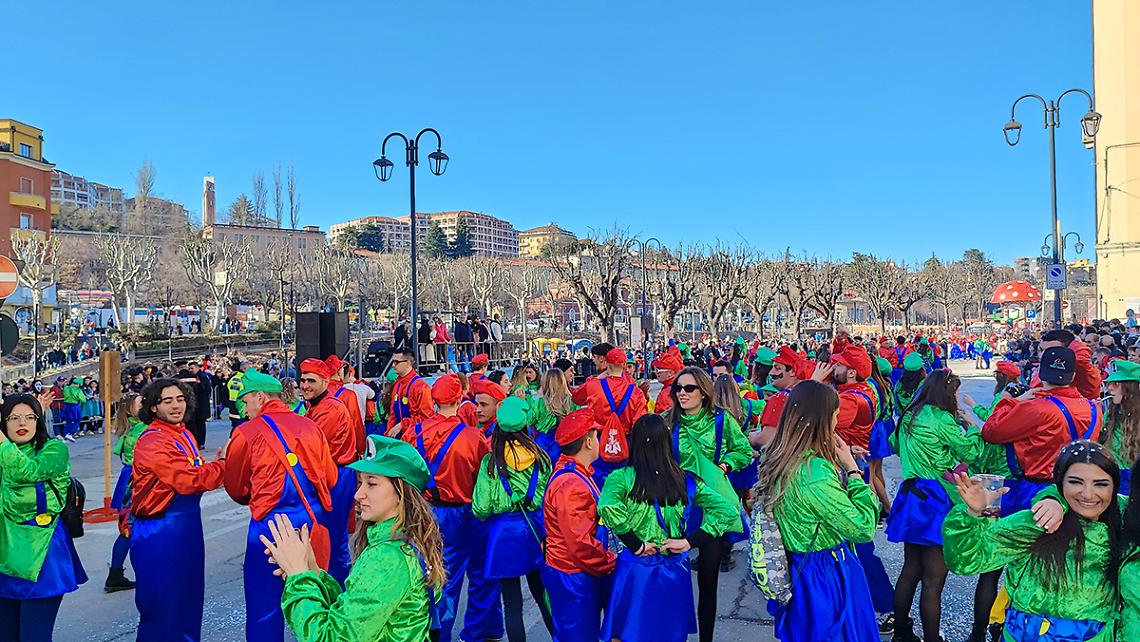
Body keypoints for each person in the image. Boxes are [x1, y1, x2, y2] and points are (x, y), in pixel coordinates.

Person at [262, 435, 443, 642]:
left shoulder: (386, 559)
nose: (358, 494)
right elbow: (352, 610)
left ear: (401, 492)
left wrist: (298, 576)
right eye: (360, 483)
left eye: (372, 484)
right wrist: (313, 571)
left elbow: (330, 637)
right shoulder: (401, 540)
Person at [944, 441, 1123, 642]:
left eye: (1101, 484)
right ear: (1060, 482)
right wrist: (972, 513)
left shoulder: (1124, 521)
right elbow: (966, 561)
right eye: (1075, 482)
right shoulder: (1038, 521)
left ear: (1114, 486)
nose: (1088, 494)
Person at [754, 380, 880, 642]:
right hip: (825, 574)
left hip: (798, 566)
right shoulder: (814, 473)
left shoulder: (779, 455)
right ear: (823, 420)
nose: (836, 424)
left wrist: (835, 458)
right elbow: (863, 527)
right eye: (834, 416)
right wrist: (853, 471)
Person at [598, 414, 737, 642]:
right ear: (666, 442)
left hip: (636, 567)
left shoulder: (621, 478)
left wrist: (635, 543)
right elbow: (729, 511)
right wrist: (690, 541)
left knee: (625, 632)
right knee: (670, 632)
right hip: (674, 568)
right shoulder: (686, 480)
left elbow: (607, 506)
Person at [224, 370, 339, 642]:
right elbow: (331, 477)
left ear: (260, 397)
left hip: (270, 526)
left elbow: (236, 488)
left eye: (246, 400)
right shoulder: (310, 425)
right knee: (315, 598)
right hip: (310, 521)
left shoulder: (246, 433)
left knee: (265, 607)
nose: (244, 407)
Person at [886, 369, 984, 642]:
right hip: (936, 498)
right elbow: (972, 452)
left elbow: (894, 444)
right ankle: (932, 638)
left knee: (910, 571)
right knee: (933, 580)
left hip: (910, 494)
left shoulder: (909, 414)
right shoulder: (943, 419)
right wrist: (974, 429)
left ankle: (902, 633)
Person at [130, 378, 226, 641]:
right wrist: (222, 466)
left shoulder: (183, 433)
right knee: (163, 607)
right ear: (152, 407)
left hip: (186, 528)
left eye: (180, 399)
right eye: (167, 400)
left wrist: (213, 467)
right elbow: (188, 480)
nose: (176, 406)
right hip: (160, 531)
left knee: (189, 599)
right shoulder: (153, 441)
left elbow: (194, 472)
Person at [411, 374, 502, 642]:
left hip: (426, 510)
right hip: (464, 513)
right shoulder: (473, 437)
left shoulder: (413, 431)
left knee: (434, 577)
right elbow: (484, 479)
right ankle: (476, 633)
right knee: (479, 574)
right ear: (460, 398)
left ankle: (440, 633)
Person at [0, 394, 87, 642]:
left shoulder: (54, 450)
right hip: (5, 552)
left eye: (29, 417)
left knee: (33, 637)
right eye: (13, 418)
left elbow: (28, 472)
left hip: (42, 552)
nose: (21, 423)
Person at [982, 346, 1103, 516]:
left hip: (1037, 491)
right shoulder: (1095, 409)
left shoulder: (1037, 407)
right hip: (1078, 490)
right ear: (1073, 376)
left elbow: (991, 431)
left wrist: (1012, 402)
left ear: (1040, 374)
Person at [472, 397, 555, 641]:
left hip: (504, 535)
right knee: (543, 596)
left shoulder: (490, 462)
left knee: (512, 603)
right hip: (536, 530)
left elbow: (480, 508)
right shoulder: (542, 458)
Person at [541, 408, 616, 642]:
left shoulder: (574, 473)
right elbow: (580, 545)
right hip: (574, 574)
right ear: (588, 442)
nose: (599, 440)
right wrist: (610, 563)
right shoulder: (573, 484)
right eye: (596, 435)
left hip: (572, 569)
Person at [298, 358, 356, 586]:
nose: (305, 385)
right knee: (331, 539)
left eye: (311, 380)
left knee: (333, 540)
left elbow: (308, 448)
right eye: (302, 380)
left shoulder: (329, 409)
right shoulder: (319, 406)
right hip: (334, 474)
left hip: (336, 477)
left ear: (325, 381)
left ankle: (338, 592)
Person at [575, 347, 648, 487]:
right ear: (624, 365)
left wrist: (597, 378)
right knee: (623, 481)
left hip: (597, 440)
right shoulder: (636, 392)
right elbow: (640, 423)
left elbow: (577, 398)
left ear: (607, 364)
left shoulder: (594, 385)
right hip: (625, 442)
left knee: (597, 479)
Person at [106, 392, 145, 593]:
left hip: (128, 480)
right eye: (142, 402)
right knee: (131, 530)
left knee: (128, 530)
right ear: (131, 408)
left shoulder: (131, 429)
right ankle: (117, 574)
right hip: (137, 482)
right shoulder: (142, 430)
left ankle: (115, 572)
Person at [1100, 359, 1140, 493]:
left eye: (1116, 383)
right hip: (1110, 481)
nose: (1110, 387)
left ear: (1131, 387)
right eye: (1110, 383)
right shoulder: (1110, 412)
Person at [529, 368, 577, 464]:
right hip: (568, 445)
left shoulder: (540, 402)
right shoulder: (572, 401)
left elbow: (529, 420)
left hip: (543, 444)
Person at [387, 349, 433, 438]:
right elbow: (392, 414)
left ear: (408, 363)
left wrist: (402, 425)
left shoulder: (421, 387)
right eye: (393, 362)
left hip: (415, 439)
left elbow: (426, 418)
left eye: (396, 362)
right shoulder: (397, 384)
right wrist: (389, 432)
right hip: (398, 438)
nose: (393, 365)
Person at [651, 348, 684, 414]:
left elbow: (661, 419)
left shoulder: (666, 394)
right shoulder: (681, 387)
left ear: (670, 373)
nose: (656, 373)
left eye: (659, 370)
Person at [60, 377, 84, 442]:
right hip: (75, 406)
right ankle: (70, 433)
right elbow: (83, 399)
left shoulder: (66, 388)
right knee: (77, 420)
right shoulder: (78, 390)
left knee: (68, 420)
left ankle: (66, 434)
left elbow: (65, 395)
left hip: (66, 405)